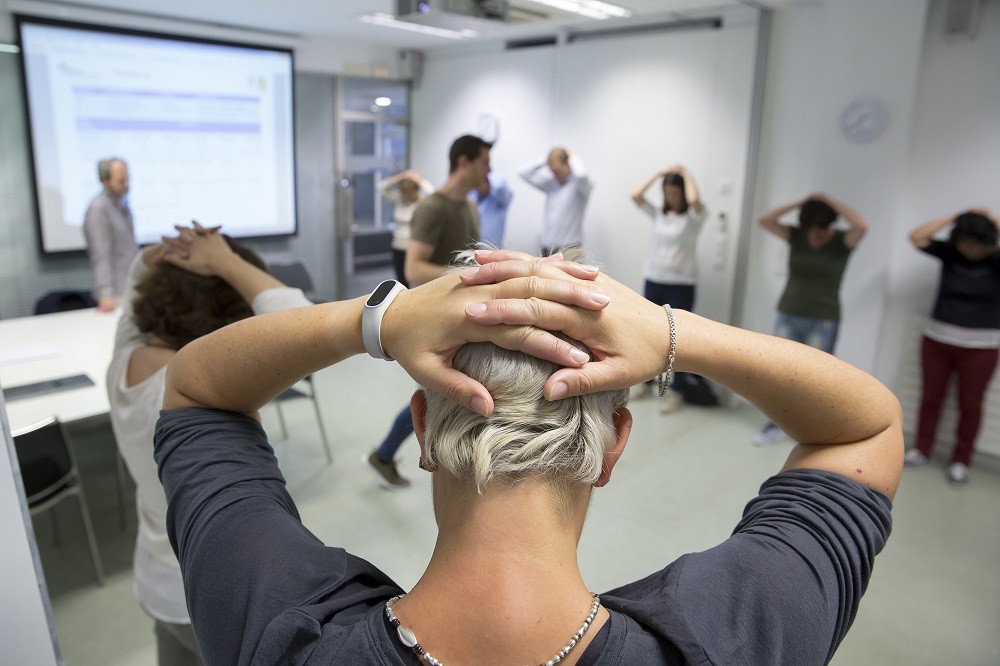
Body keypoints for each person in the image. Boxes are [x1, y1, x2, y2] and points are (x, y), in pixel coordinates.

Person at [155, 249, 901, 665]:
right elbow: (863, 431)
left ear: (422, 428)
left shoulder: (281, 636)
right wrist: (674, 333)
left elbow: (196, 389)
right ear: (612, 447)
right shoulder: (735, 637)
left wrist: (378, 318)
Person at [107, 224, 310, 665]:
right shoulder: (204, 388)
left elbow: (132, 283)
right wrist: (223, 259)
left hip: (156, 581)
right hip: (207, 596)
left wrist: (170, 250)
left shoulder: (124, 358)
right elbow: (297, 315)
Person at [368, 134, 489, 488]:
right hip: (438, 318)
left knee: (447, 393)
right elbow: (414, 269)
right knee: (437, 394)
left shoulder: (468, 207)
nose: (489, 170)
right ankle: (385, 454)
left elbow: (470, 257)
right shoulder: (432, 207)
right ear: (464, 162)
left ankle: (390, 455)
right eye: (484, 162)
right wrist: (468, 275)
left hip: (464, 316)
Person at [753, 193, 869, 446]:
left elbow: (862, 226)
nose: (815, 236)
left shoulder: (842, 241)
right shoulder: (796, 236)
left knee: (815, 378)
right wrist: (800, 202)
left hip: (823, 318)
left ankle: (808, 429)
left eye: (821, 231)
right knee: (778, 372)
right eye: (812, 230)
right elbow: (764, 219)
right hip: (789, 312)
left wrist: (831, 202)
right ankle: (775, 424)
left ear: (830, 225)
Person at [903, 209, 1000, 485]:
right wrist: (957, 216)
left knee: (970, 405)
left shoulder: (996, 259)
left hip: (981, 347)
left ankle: (961, 460)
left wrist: (992, 220)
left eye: (977, 243)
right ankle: (921, 449)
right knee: (931, 398)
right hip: (936, 340)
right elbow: (916, 236)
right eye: (965, 242)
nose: (970, 249)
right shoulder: (950, 252)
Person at [629, 165, 710, 412]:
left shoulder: (694, 218)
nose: (671, 197)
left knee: (679, 340)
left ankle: (677, 391)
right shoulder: (659, 214)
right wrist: (659, 173)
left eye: (676, 193)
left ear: (683, 193)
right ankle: (645, 382)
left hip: (681, 284)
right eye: (668, 192)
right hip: (654, 279)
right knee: (648, 332)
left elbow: (696, 201)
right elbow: (636, 195)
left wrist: (687, 175)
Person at [83, 157, 138, 312]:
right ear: (105, 181)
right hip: (115, 295)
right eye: (121, 181)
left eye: (127, 179)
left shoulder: (123, 204)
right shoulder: (98, 209)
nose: (126, 185)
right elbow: (100, 254)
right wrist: (105, 293)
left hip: (129, 288)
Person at [519, 147, 593, 255]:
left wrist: (572, 157)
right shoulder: (551, 184)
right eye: (552, 171)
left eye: (557, 171)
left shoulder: (580, 186)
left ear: (568, 164)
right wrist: (547, 159)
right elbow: (522, 172)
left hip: (569, 250)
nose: (555, 176)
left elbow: (581, 174)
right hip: (546, 248)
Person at [378, 169, 434, 287]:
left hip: (414, 247)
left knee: (417, 282)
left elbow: (433, 194)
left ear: (416, 190)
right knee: (401, 283)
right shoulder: (399, 199)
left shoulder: (422, 203)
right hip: (398, 246)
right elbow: (381, 187)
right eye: (405, 193)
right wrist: (401, 176)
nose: (408, 196)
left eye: (410, 193)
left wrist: (418, 179)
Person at [473, 170, 513, 247]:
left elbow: (499, 187)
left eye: (481, 182)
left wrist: (487, 172)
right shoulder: (471, 195)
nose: (478, 186)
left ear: (489, 183)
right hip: (470, 249)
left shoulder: (500, 199)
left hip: (491, 250)